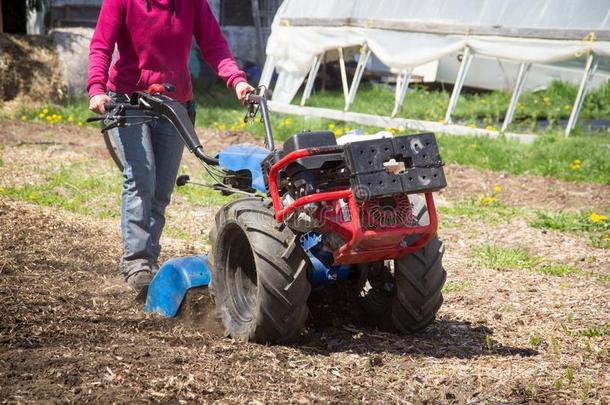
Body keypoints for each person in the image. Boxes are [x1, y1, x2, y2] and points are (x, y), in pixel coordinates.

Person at [86, 0, 254, 292]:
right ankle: (136, 262)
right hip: (129, 100)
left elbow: (215, 45)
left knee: (161, 188)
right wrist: (97, 88)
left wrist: (236, 80)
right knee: (141, 176)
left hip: (174, 103)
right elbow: (102, 45)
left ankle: (148, 262)